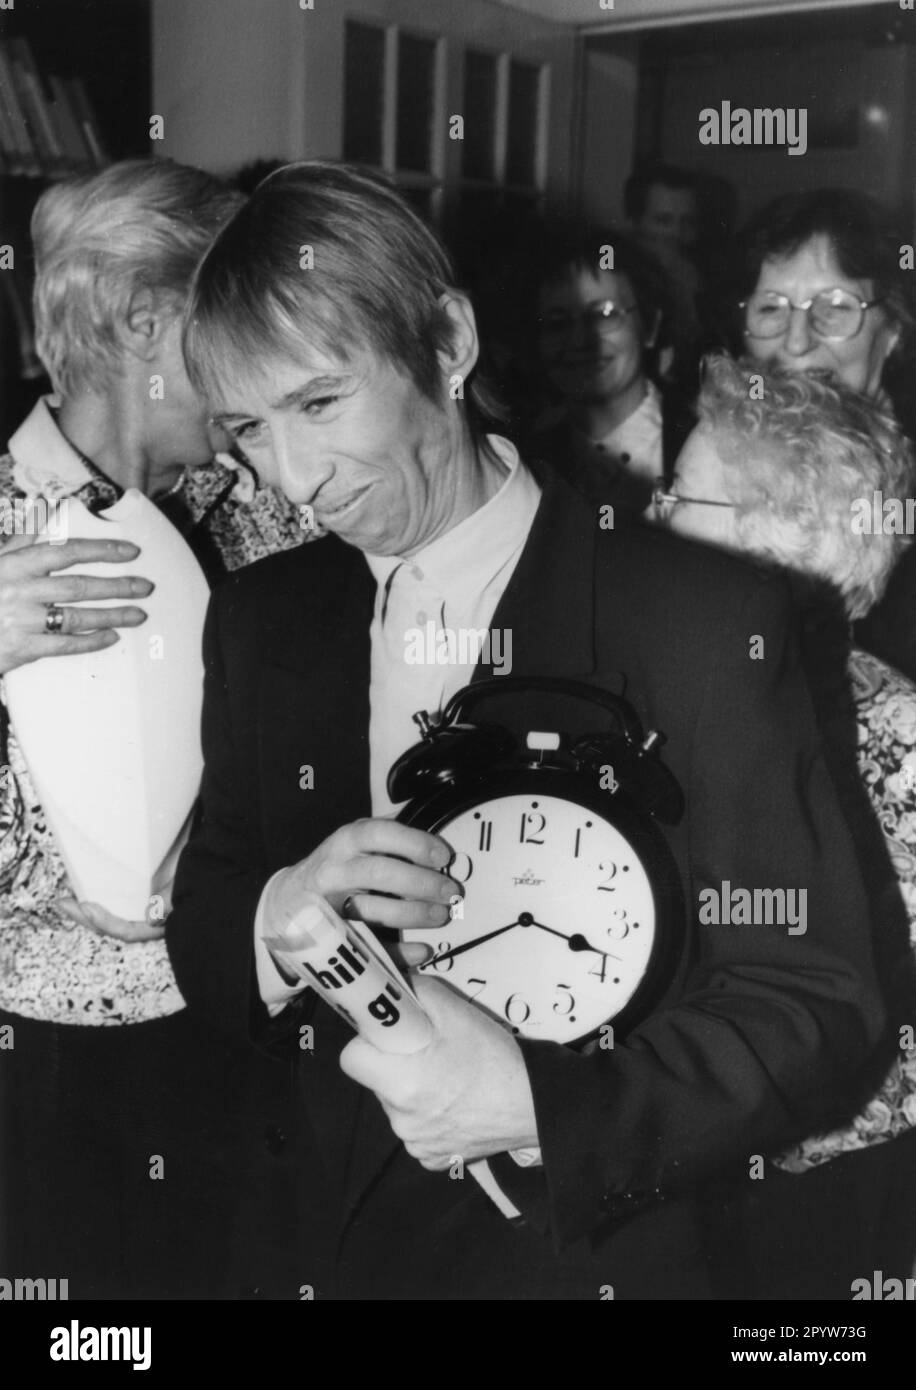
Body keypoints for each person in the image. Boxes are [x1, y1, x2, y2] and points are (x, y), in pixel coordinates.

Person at [166, 160, 885, 1301]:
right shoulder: (261, 620)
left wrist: (543, 1107)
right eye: (249, 430)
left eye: (318, 403)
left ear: (446, 342)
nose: (295, 479)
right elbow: (207, 905)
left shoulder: (706, 621)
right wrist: (274, 912)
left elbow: (816, 1003)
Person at [0, 158, 308, 1299]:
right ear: (144, 321)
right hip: (43, 1081)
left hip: (247, 1027)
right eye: (230, 321)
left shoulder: (279, 504)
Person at [656, 352, 916, 1297]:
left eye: (677, 496)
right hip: (672, 1174)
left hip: (831, 1211)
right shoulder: (661, 697)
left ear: (776, 542)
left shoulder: (897, 741)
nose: (648, 517)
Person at [731, 188, 916, 681]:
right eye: (771, 308)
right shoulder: (713, 467)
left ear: (893, 330)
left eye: (833, 307)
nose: (795, 341)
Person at [525, 221, 694, 517]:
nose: (580, 340)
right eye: (558, 322)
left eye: (604, 314)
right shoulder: (526, 456)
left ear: (650, 327)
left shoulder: (699, 442)